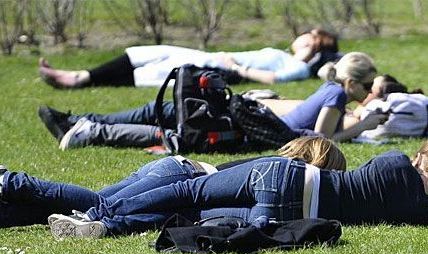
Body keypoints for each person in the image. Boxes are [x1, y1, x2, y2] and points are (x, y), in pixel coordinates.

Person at [50, 140, 428, 239]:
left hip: (292, 177)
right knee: (192, 215)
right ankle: (104, 229)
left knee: (190, 194)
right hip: (295, 216)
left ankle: (98, 215)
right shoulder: (417, 212)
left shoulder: (397, 164)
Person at [38, 52, 387, 151]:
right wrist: (367, 124)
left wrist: (359, 118)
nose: (370, 89)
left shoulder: (334, 92)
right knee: (170, 120)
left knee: (168, 114)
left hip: (253, 117)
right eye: (368, 83)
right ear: (352, 81)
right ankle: (81, 124)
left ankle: (84, 124)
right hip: (255, 126)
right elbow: (319, 141)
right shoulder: (337, 93)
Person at [0, 137, 346, 234]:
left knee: (70, 212)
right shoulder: (281, 173)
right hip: (179, 174)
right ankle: (8, 179)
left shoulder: (271, 166)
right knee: (97, 203)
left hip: (172, 168)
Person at [38, 29, 341, 88]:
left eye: (308, 34)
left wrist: (237, 67)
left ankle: (78, 79)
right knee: (152, 52)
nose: (300, 34)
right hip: (214, 58)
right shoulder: (288, 56)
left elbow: (274, 79)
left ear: (314, 43)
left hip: (223, 69)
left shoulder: (299, 68)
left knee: (159, 71)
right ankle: (84, 75)